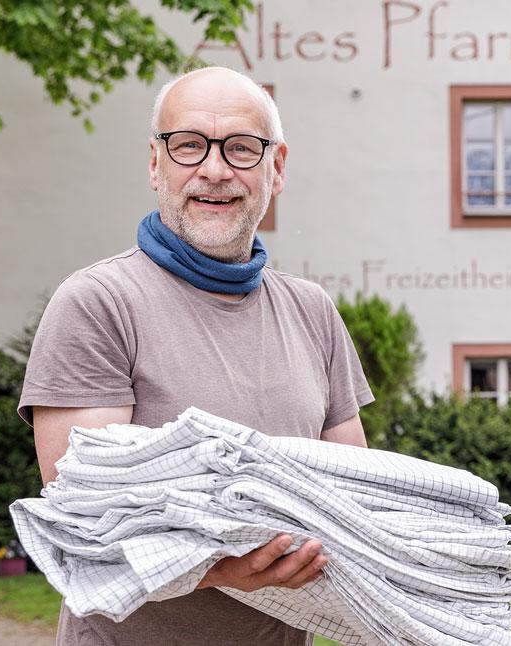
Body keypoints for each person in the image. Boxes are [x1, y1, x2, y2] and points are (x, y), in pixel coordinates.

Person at [18, 66, 374, 646]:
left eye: (240, 148)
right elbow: (84, 519)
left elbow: (353, 494)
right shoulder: (97, 303)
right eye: (188, 146)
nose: (214, 169)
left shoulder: (313, 312)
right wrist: (221, 568)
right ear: (156, 164)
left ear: (275, 167)